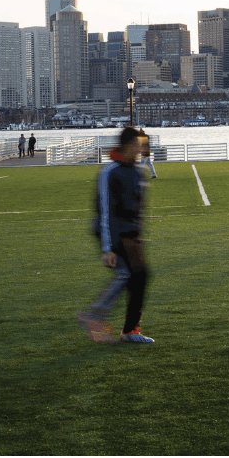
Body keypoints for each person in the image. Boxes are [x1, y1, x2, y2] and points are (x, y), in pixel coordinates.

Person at [76, 126, 154, 344]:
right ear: (129, 144)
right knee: (126, 274)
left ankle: (130, 330)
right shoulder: (109, 172)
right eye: (139, 143)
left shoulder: (138, 171)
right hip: (111, 232)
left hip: (131, 234)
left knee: (140, 276)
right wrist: (107, 248)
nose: (142, 146)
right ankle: (93, 316)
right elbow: (104, 211)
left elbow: (138, 207)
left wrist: (139, 233)